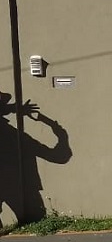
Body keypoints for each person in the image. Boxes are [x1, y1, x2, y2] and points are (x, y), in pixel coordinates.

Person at [0, 91, 71, 226]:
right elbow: (58, 157)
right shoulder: (16, 138)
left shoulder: (16, 137)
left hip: (20, 185)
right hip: (21, 185)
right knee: (35, 223)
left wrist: (14, 108)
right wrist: (62, 136)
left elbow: (58, 157)